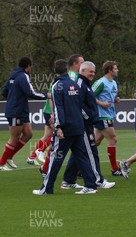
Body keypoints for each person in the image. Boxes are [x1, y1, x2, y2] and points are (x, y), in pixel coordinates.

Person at [33, 59, 98, 195]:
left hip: (66, 128)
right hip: (78, 126)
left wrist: (58, 127)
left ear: (55, 71)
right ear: (67, 69)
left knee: (56, 157)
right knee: (82, 157)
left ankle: (47, 188)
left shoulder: (57, 85)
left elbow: (59, 108)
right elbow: (80, 105)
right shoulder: (74, 84)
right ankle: (91, 185)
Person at [60, 61, 116, 189]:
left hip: (86, 123)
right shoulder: (79, 84)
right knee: (91, 151)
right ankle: (98, 180)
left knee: (79, 152)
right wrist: (87, 117)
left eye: (94, 72)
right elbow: (77, 104)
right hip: (83, 124)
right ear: (82, 71)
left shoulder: (86, 84)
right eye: (90, 71)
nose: (93, 74)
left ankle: (68, 180)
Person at [0, 57, 47, 171]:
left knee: (28, 134)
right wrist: (46, 96)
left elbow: (4, 91)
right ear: (28, 66)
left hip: (21, 110)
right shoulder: (23, 76)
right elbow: (30, 92)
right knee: (14, 137)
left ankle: (9, 157)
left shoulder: (13, 75)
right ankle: (1, 163)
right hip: (16, 110)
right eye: (31, 67)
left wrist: (13, 100)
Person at [92, 61, 122, 176]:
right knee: (113, 139)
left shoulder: (114, 82)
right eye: (115, 68)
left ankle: (79, 165)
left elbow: (109, 98)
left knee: (95, 142)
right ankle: (114, 169)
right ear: (109, 70)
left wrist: (115, 100)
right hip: (101, 115)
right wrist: (101, 103)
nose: (117, 70)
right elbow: (89, 96)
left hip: (109, 114)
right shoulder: (101, 82)